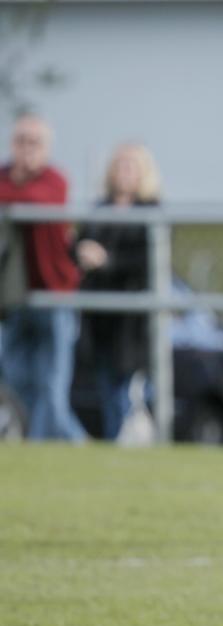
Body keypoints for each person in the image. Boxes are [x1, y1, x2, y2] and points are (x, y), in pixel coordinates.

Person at [0, 113, 86, 442]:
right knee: (16, 378)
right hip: (13, 296)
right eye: (21, 140)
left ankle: (46, 445)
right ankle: (76, 443)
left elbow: (39, 199)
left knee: (52, 383)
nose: (26, 149)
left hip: (55, 295)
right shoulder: (4, 176)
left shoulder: (55, 179)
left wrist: (11, 196)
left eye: (34, 142)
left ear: (47, 147)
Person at [75, 143, 161, 440]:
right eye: (119, 165)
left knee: (128, 387)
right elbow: (77, 244)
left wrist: (107, 261)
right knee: (105, 385)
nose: (123, 172)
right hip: (99, 317)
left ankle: (130, 440)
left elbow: (148, 261)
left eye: (130, 166)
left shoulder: (151, 211)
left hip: (132, 319)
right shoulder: (99, 209)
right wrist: (82, 252)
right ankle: (116, 441)